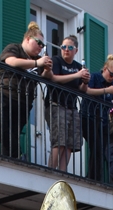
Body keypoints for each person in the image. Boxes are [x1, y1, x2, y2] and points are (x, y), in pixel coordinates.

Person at [0, 21, 50, 159]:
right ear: (27, 39)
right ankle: (18, 155)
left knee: (12, 134)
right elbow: (11, 62)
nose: (41, 47)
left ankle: (10, 161)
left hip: (22, 104)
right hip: (1, 95)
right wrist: (37, 63)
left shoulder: (39, 60)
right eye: (39, 42)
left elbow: (47, 77)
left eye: (43, 45)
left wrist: (48, 68)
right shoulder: (15, 48)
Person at [44, 35, 88, 172]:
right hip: (56, 104)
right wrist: (77, 75)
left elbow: (82, 90)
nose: (66, 50)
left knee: (70, 143)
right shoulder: (56, 60)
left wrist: (85, 81)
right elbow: (54, 78)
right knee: (59, 141)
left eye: (70, 47)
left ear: (76, 50)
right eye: (63, 47)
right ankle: (50, 171)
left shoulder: (78, 66)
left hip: (72, 107)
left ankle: (62, 173)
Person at [80, 55, 113, 184]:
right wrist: (106, 90)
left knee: (100, 149)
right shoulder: (95, 77)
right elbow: (87, 91)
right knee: (96, 146)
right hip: (89, 116)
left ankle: (95, 177)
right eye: (111, 74)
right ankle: (93, 178)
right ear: (105, 69)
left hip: (103, 120)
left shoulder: (112, 84)